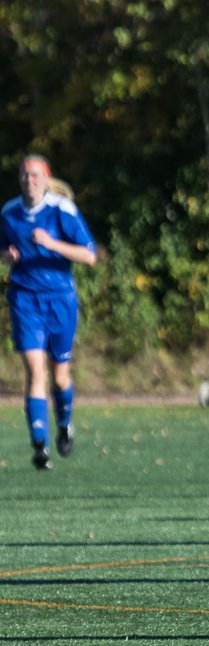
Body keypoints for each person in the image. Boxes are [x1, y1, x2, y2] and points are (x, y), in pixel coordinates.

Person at [0, 154, 97, 470]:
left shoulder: (62, 210)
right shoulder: (9, 213)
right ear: (20, 179)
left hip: (60, 300)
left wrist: (52, 244)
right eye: (25, 175)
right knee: (34, 370)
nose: (30, 180)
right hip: (25, 299)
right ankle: (39, 445)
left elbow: (89, 255)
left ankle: (64, 423)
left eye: (35, 175)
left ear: (46, 178)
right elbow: (2, 249)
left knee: (59, 375)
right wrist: (7, 255)